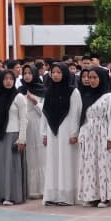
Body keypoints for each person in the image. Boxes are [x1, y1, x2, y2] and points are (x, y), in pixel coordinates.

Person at [41, 62, 81, 207]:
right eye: (53, 72)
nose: (56, 75)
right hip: (52, 132)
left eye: (59, 72)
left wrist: (74, 133)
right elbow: (45, 113)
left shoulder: (73, 91)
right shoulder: (49, 90)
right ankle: (52, 195)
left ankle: (66, 196)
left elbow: (76, 113)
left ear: (65, 74)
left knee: (66, 162)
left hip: (67, 132)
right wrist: (44, 133)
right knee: (53, 162)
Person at [76, 67, 111, 208]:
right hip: (88, 136)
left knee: (103, 164)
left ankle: (105, 197)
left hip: (102, 134)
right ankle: (92, 196)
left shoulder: (109, 97)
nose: (91, 80)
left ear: (102, 78)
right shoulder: (86, 96)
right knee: (90, 165)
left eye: (95, 77)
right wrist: (81, 135)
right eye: (90, 77)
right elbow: (84, 117)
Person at [0, 70, 27, 206]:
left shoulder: (19, 97)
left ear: (14, 81)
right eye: (5, 79)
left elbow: (23, 119)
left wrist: (22, 139)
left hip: (13, 135)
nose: (8, 81)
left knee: (11, 167)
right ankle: (0, 195)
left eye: (11, 79)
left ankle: (11, 196)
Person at [20, 66, 47, 200]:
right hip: (24, 125)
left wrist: (34, 101)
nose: (27, 76)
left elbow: (45, 111)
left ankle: (42, 188)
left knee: (40, 156)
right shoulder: (20, 90)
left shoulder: (42, 90)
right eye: (25, 73)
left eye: (30, 73)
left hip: (37, 124)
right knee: (29, 157)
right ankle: (30, 189)